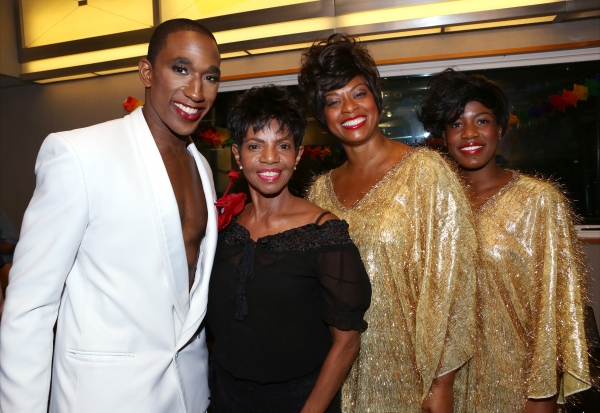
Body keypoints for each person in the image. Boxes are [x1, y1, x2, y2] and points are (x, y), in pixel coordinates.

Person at [0, 19, 221, 413]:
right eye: (181, 69)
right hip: (104, 398)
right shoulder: (80, 154)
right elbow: (30, 308)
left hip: (186, 394)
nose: (196, 91)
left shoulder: (202, 168)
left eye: (210, 77)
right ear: (147, 72)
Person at [299, 34, 478, 413]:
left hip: (414, 377)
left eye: (358, 93)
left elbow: (455, 284)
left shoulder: (427, 173)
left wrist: (440, 383)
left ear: (376, 97)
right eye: (333, 100)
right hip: (340, 375)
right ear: (321, 115)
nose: (349, 108)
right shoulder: (318, 192)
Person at [418, 68, 590, 412]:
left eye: (481, 121)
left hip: (515, 383)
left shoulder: (540, 201)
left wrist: (540, 395)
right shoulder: (432, 204)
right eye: (456, 124)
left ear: (500, 127)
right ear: (443, 136)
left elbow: (554, 308)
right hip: (441, 384)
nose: (469, 133)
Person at [207, 85, 372, 413]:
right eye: (255, 146)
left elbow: (347, 342)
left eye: (282, 146)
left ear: (297, 156)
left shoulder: (324, 234)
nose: (270, 158)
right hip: (225, 396)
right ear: (238, 155)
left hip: (299, 400)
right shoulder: (226, 227)